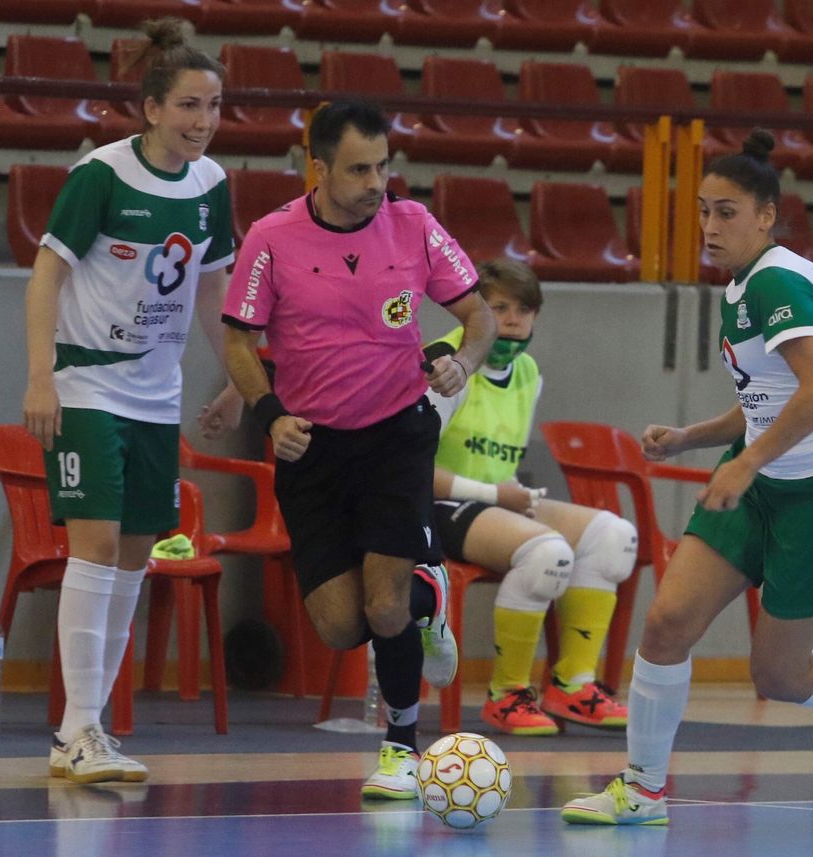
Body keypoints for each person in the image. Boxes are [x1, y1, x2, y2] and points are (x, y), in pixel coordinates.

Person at [561, 129, 813, 827]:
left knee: (778, 675)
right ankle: (642, 789)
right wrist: (697, 436)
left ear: (766, 216)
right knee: (666, 624)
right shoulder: (745, 283)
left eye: (726, 213)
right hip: (762, 478)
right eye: (704, 212)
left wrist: (746, 463)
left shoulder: (776, 280)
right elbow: (768, 398)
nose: (710, 227)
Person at [219, 99, 496, 799]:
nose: (377, 182)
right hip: (311, 449)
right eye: (359, 169)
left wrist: (464, 360)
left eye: (383, 166)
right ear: (318, 168)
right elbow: (237, 340)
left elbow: (479, 315)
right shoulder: (272, 238)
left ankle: (401, 744)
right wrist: (270, 413)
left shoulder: (413, 225)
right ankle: (430, 589)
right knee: (341, 624)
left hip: (396, 435)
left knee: (383, 607)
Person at [22, 18, 241, 785]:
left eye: (213, 107)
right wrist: (41, 375)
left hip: (157, 389)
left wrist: (243, 380)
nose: (202, 122)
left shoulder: (213, 185)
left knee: (137, 552)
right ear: (150, 108)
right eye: (187, 105)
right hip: (86, 379)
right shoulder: (101, 175)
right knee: (96, 540)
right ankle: (77, 727)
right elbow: (47, 274)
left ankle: (94, 727)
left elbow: (214, 289)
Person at [423, 258, 638, 736]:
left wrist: (502, 495)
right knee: (548, 554)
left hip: (494, 499)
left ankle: (573, 684)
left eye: (524, 308)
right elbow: (407, 466)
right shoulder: (446, 364)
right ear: (473, 311)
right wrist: (489, 493)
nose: (513, 319)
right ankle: (507, 694)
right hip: (436, 505)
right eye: (498, 308)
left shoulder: (527, 373)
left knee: (614, 537)